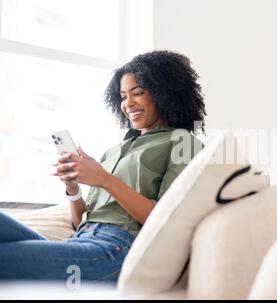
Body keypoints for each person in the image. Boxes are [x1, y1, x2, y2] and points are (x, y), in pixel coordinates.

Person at [0, 50, 206, 283]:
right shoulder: (114, 151)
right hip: (81, 241)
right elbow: (81, 223)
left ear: (163, 94)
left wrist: (104, 179)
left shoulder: (183, 142)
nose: (128, 104)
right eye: (123, 96)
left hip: (116, 250)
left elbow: (166, 219)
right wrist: (73, 188)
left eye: (137, 93)